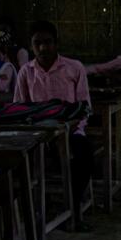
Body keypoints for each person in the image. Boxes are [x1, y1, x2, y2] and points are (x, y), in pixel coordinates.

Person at [14, 20, 94, 227]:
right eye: (37, 43)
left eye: (48, 42)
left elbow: (85, 107)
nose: (42, 48)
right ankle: (34, 211)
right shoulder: (26, 72)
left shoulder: (74, 68)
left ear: (56, 43)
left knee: (83, 155)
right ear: (31, 45)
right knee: (17, 161)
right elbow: (19, 108)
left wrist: (71, 126)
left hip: (70, 130)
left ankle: (74, 210)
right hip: (38, 133)